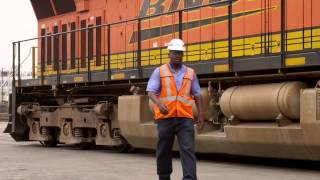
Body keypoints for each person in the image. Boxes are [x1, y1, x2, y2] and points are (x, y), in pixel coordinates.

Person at [147, 38, 204, 180]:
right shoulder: (159, 71)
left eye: (180, 53)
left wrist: (202, 117)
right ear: (169, 54)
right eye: (174, 52)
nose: (177, 55)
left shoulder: (191, 73)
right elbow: (151, 92)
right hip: (165, 118)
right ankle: (164, 177)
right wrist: (160, 104)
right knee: (164, 149)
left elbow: (198, 95)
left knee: (188, 149)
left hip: (185, 118)